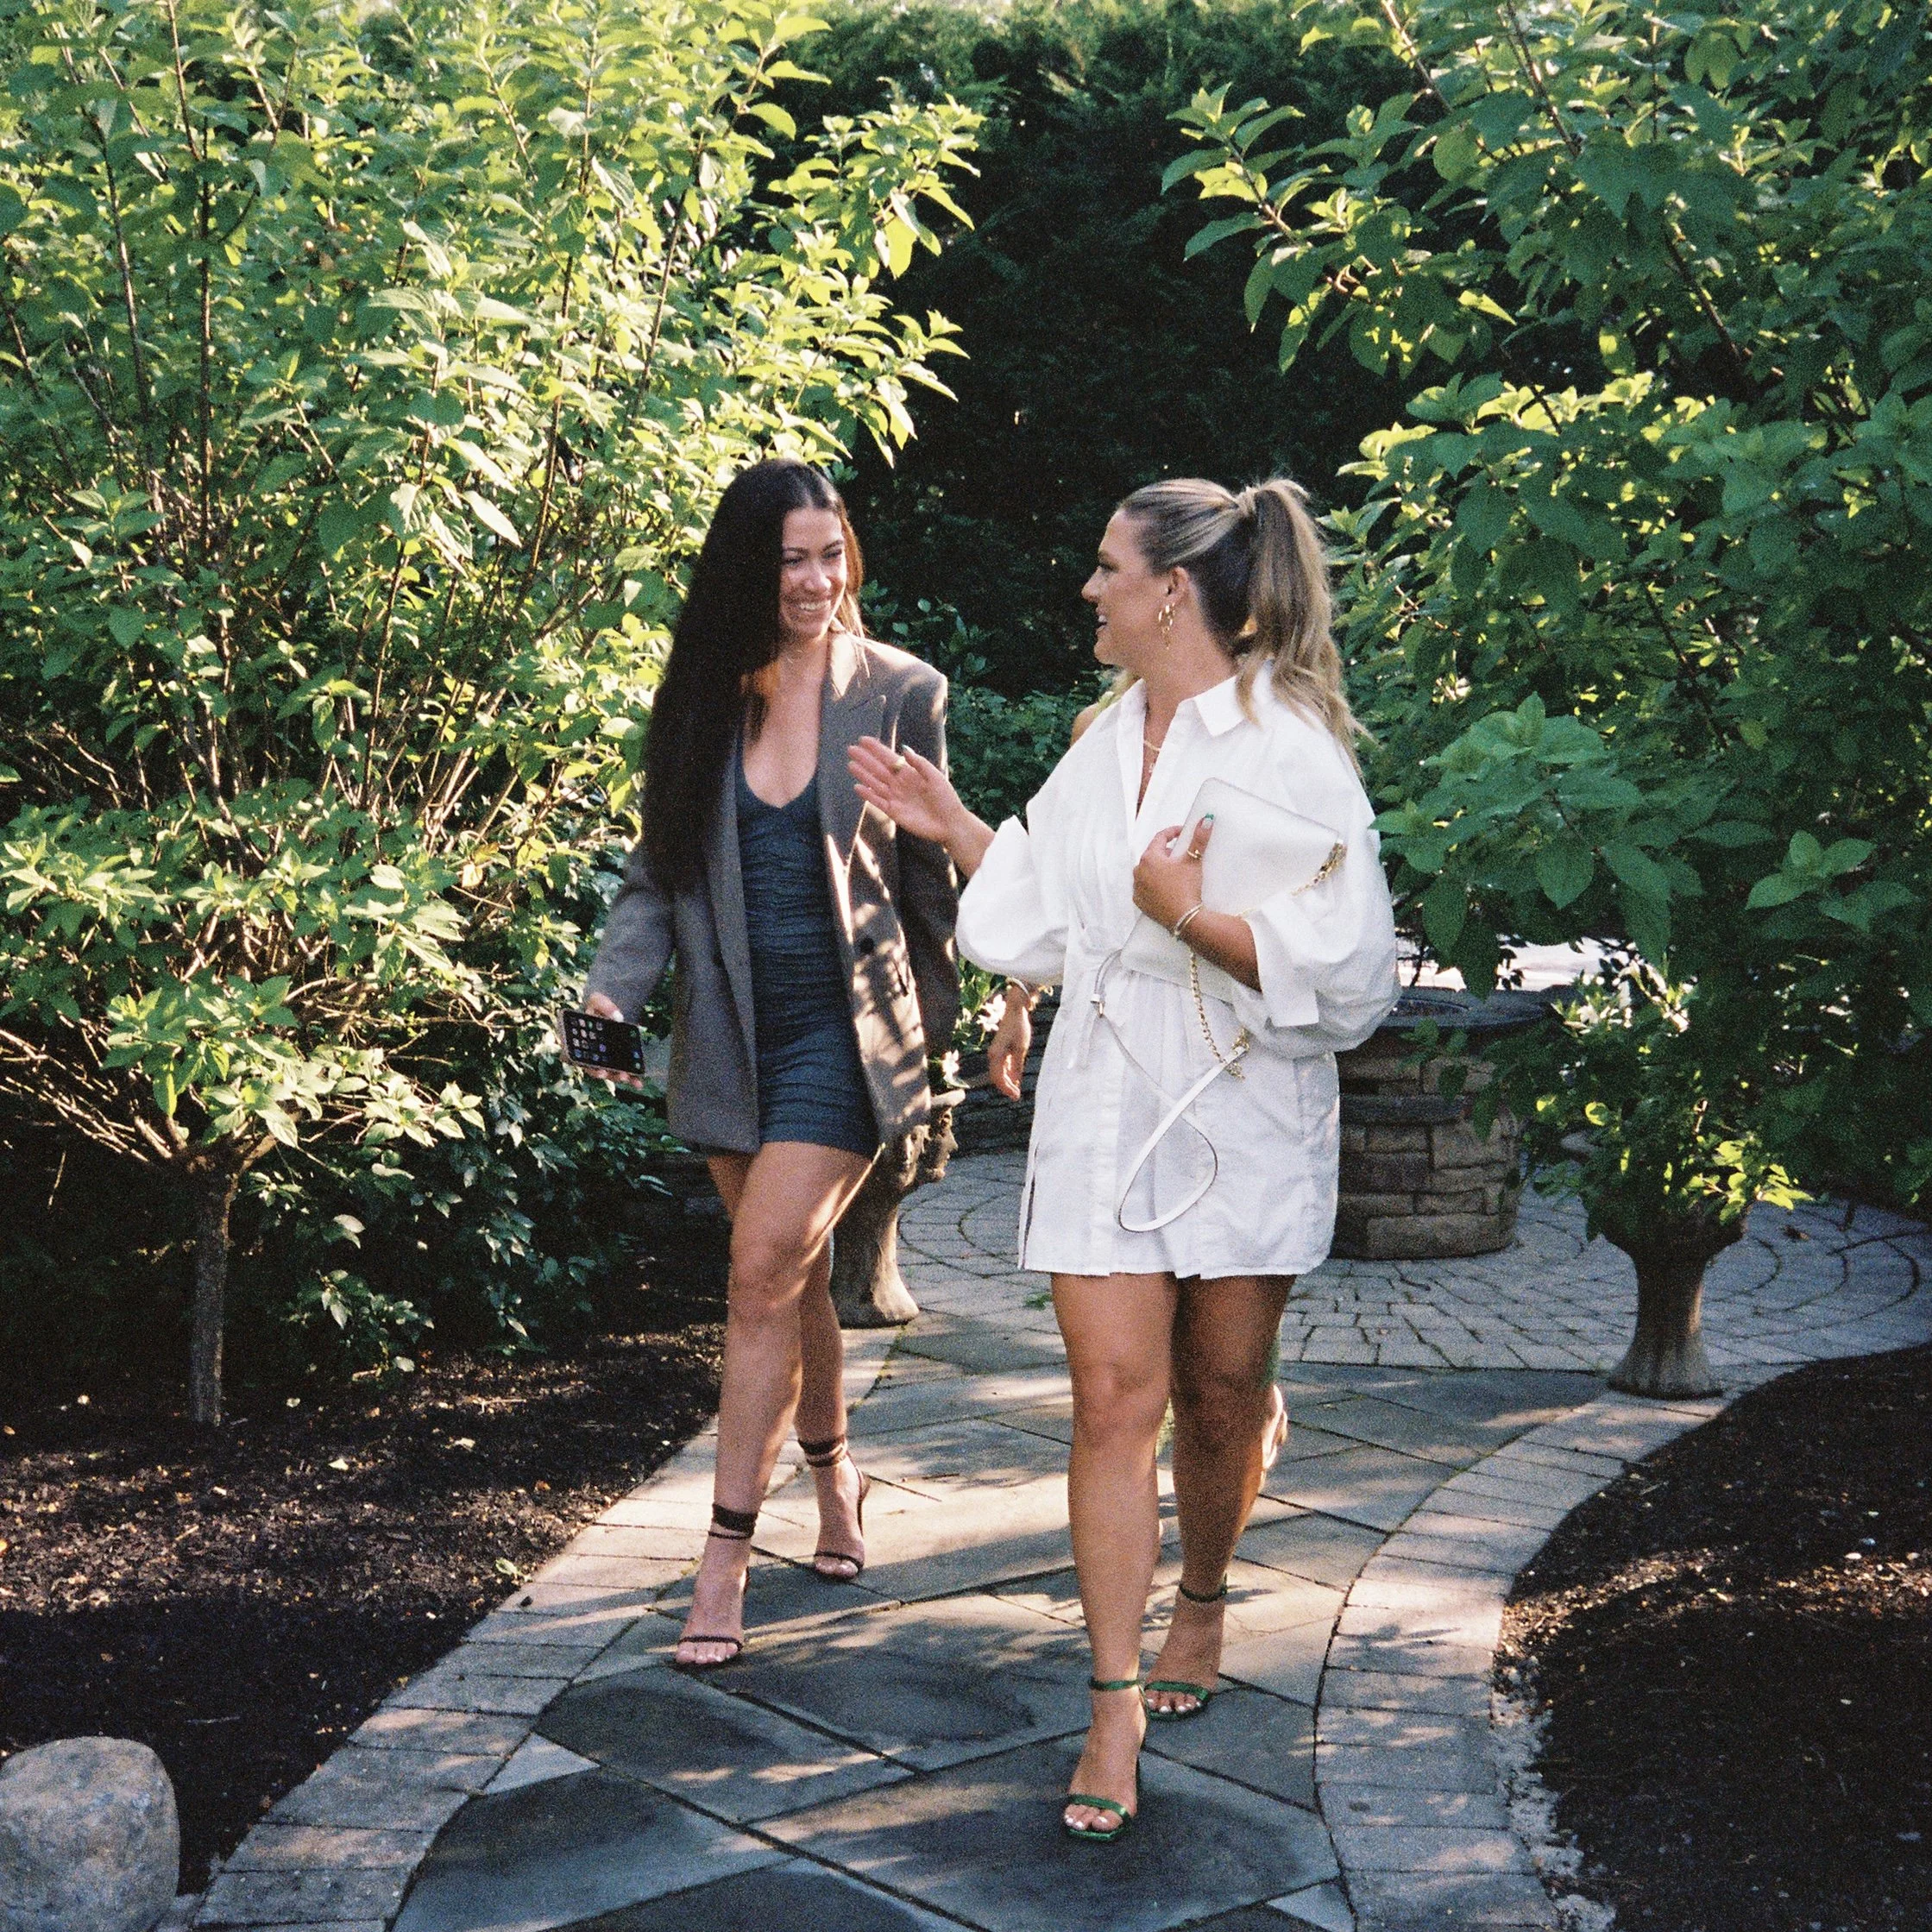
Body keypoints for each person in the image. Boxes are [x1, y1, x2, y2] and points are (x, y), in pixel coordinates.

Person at [849, 475, 1398, 1840]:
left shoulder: (1292, 752)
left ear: (1172, 591)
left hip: (1242, 1106)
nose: (1087, 590)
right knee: (1109, 1396)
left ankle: (1201, 1596)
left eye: (1106, 568)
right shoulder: (1101, 741)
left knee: (1218, 1396)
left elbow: (1352, 983)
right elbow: (1043, 917)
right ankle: (1108, 1702)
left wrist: (1195, 918)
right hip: (1100, 1099)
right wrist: (957, 825)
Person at [584, 456, 958, 1669]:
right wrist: (609, 994)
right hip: (730, 1040)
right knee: (790, 1285)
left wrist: (943, 1041)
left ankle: (722, 1556)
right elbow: (658, 871)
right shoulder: (701, 696)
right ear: (751, 567)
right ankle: (838, 1484)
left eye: (831, 552)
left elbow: (928, 889)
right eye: (793, 557)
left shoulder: (900, 691)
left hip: (848, 1040)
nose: (817, 578)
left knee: (755, 1271)